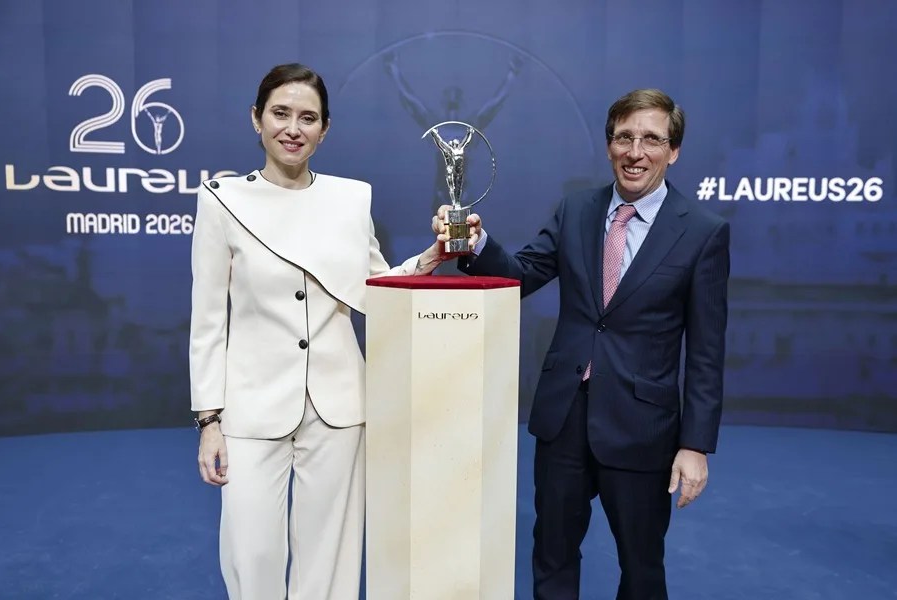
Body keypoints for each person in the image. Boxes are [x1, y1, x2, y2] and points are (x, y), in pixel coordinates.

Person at [433, 88, 730, 599]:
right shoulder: (576, 210)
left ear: (673, 151)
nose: (635, 151)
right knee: (551, 554)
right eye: (624, 138)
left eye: (651, 140)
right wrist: (476, 243)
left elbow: (706, 350)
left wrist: (695, 444)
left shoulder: (703, 233)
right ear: (610, 144)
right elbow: (522, 274)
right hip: (563, 417)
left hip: (642, 428)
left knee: (641, 568)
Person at [189, 63, 443, 600]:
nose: (293, 128)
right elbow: (208, 320)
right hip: (252, 404)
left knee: (330, 554)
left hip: (339, 402)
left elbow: (375, 286)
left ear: (325, 130)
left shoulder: (351, 199)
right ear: (256, 119)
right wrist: (209, 419)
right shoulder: (222, 200)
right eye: (280, 113)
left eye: (308, 118)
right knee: (251, 552)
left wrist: (430, 257)